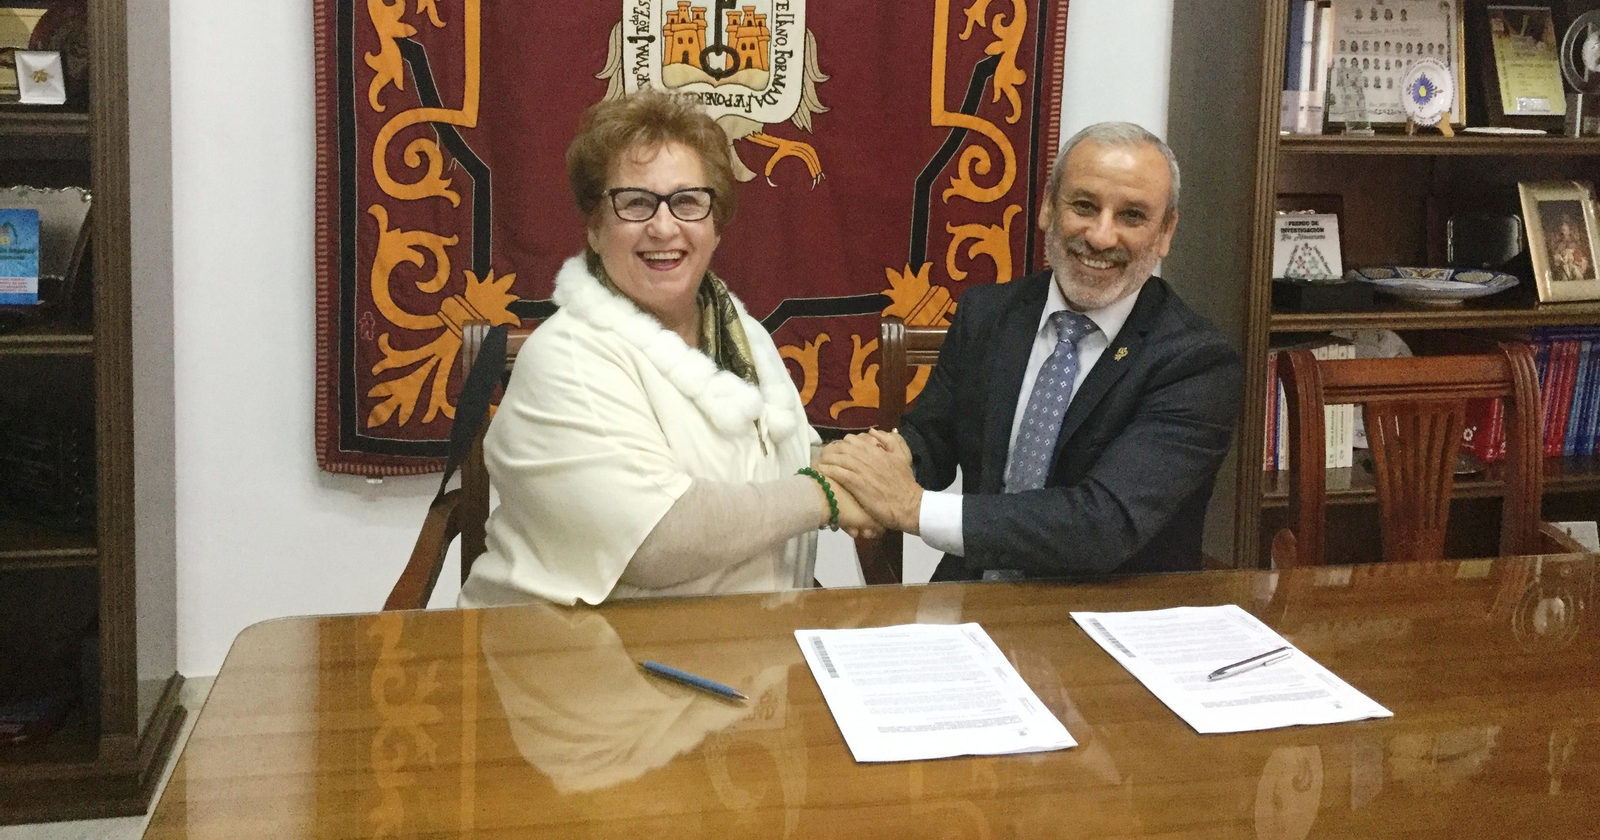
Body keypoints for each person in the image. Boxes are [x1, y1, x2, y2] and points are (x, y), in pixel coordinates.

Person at [459, 89, 875, 608]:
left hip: (745, 656)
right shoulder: (565, 359)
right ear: (594, 225)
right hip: (579, 665)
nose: (663, 226)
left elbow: (779, 460)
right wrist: (827, 496)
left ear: (715, 225)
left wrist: (863, 468)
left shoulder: (743, 335)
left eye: (687, 201)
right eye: (635, 202)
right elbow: (658, 540)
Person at [817, 122, 1243, 581]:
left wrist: (913, 509)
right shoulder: (988, 313)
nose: (1101, 237)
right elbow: (932, 442)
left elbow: (1102, 524)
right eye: (1084, 206)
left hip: (1111, 617)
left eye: (1132, 216)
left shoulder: (1197, 362)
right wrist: (861, 468)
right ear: (1046, 207)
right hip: (973, 595)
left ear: (1165, 232)